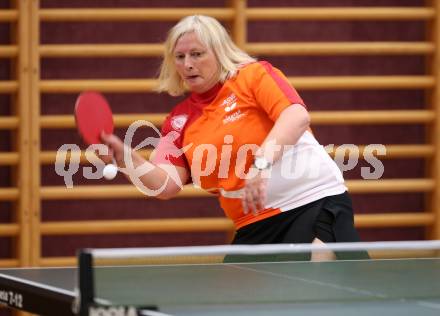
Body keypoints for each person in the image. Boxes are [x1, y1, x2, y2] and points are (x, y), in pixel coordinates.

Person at [101, 15, 368, 261]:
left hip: (313, 203)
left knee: (316, 295)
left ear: (218, 52)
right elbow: (165, 185)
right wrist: (126, 158)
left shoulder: (252, 76)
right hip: (253, 226)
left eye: (197, 54)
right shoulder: (178, 121)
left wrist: (260, 165)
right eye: (179, 57)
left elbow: (296, 116)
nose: (188, 64)